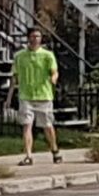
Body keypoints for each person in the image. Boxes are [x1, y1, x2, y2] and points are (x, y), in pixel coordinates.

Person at [14, 29, 62, 165]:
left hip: (44, 95)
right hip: (26, 95)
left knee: (47, 125)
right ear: (28, 38)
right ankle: (28, 155)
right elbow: (15, 76)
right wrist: (9, 96)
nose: (35, 39)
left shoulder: (47, 55)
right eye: (33, 36)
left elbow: (54, 71)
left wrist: (53, 78)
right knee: (27, 125)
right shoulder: (20, 56)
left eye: (38, 36)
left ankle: (54, 149)